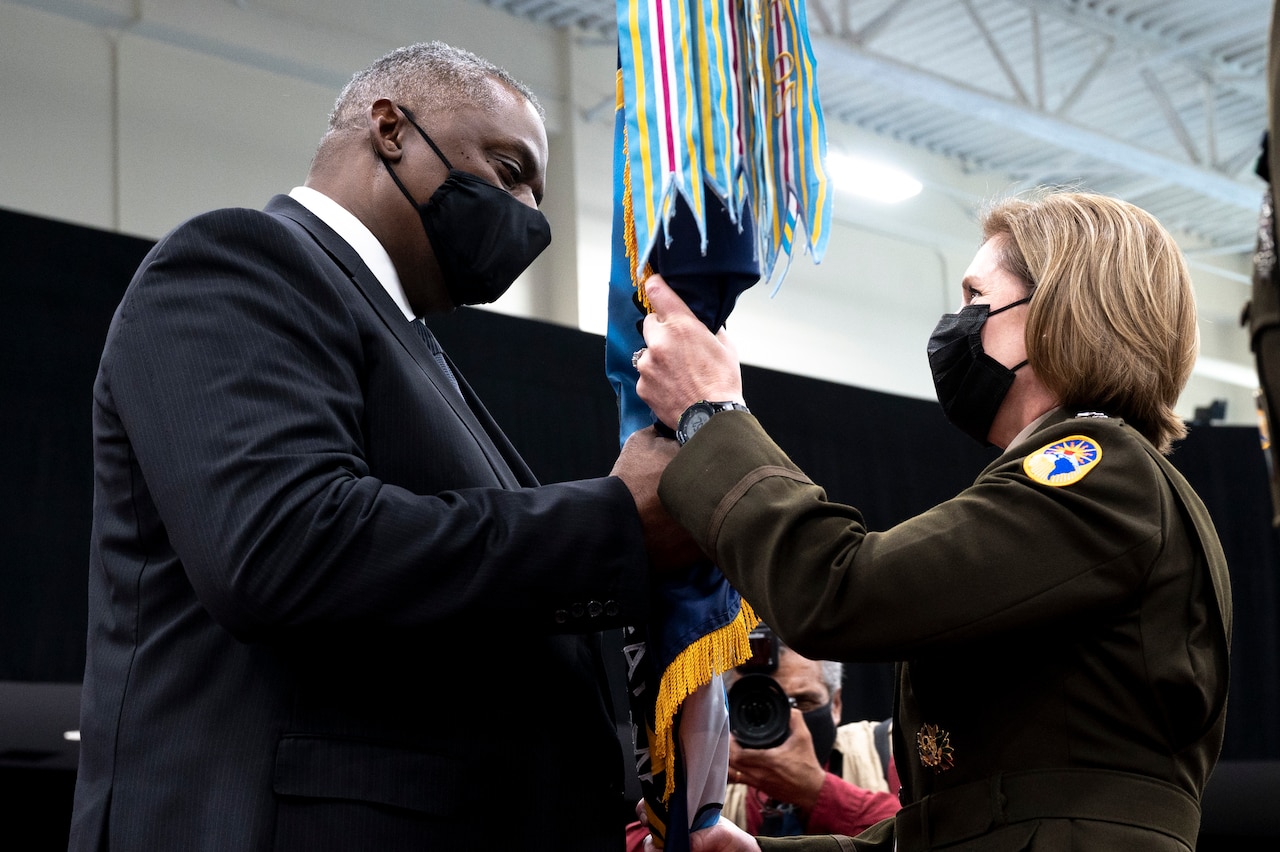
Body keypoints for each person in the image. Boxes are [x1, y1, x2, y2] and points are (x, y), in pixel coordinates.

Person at [70, 41, 693, 851]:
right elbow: (282, 547)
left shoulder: (416, 346)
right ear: (390, 128)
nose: (528, 217)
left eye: (539, 195)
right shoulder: (241, 261)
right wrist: (614, 524)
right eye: (508, 170)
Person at [633, 190, 1232, 851]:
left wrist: (711, 417)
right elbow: (959, 825)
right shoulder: (1099, 484)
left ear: (1058, 314)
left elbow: (840, 593)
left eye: (977, 300)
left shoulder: (1098, 471)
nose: (956, 324)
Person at [624, 630, 899, 850]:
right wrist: (683, 804)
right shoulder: (710, 769)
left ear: (836, 703)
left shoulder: (888, 747)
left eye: (801, 702)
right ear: (727, 708)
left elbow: (922, 832)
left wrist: (817, 790)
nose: (784, 720)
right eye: (759, 705)